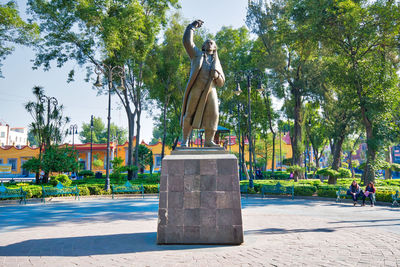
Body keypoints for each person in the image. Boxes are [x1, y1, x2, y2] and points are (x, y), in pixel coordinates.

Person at [180, 20, 225, 147]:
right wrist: (192, 27)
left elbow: (221, 82)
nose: (209, 44)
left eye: (212, 43)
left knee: (214, 114)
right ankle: (185, 140)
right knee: (189, 113)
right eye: (207, 43)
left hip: (211, 90)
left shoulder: (217, 62)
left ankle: (209, 141)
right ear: (203, 47)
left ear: (215, 47)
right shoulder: (197, 55)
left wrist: (217, 76)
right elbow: (187, 42)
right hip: (197, 88)